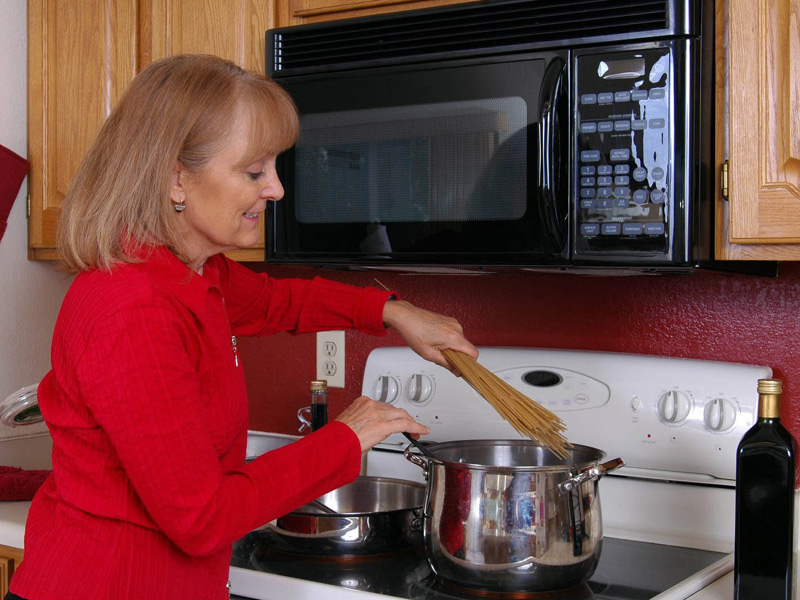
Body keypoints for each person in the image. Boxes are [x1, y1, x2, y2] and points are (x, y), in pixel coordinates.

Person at [6, 54, 478, 600]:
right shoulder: (133, 309)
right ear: (175, 178)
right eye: (254, 171)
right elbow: (202, 517)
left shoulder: (189, 272)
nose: (275, 189)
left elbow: (278, 301)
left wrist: (394, 312)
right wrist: (344, 438)